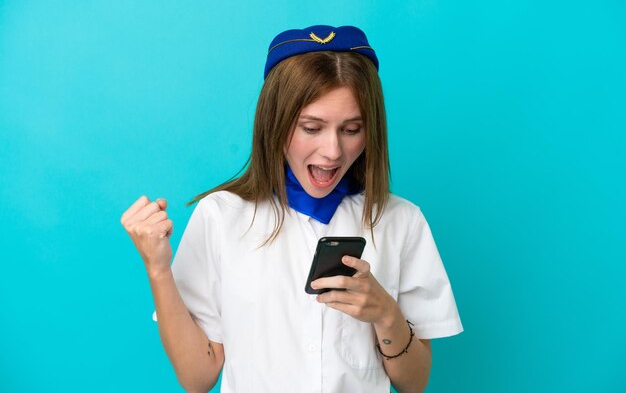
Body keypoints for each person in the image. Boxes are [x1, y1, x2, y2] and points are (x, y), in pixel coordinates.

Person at [121, 25, 463, 393]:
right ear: (275, 123)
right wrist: (158, 269)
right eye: (311, 127)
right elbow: (197, 377)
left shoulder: (401, 222)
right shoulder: (221, 216)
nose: (333, 151)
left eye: (351, 129)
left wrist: (385, 314)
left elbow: (414, 383)